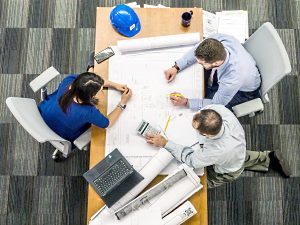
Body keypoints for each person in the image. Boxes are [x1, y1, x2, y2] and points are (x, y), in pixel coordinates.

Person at [145, 104, 292, 188]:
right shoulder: (218, 110)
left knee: (199, 182)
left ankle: (266, 160)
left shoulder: (216, 151)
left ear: (207, 135)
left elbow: (191, 160)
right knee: (239, 156)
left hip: (228, 168)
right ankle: (268, 158)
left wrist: (166, 143)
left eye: (195, 128)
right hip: (237, 149)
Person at [39, 64, 132, 159]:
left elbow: (87, 82)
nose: (101, 90)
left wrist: (115, 85)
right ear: (90, 96)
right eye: (99, 90)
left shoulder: (69, 81)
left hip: (43, 114)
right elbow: (108, 123)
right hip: (62, 134)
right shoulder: (87, 111)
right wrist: (122, 103)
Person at [164, 34, 261, 110]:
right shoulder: (218, 40)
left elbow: (216, 104)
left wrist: (186, 102)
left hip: (244, 92)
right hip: (241, 70)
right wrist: (176, 67)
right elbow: (196, 50)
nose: (199, 64)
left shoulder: (232, 79)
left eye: (201, 63)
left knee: (209, 110)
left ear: (216, 62)